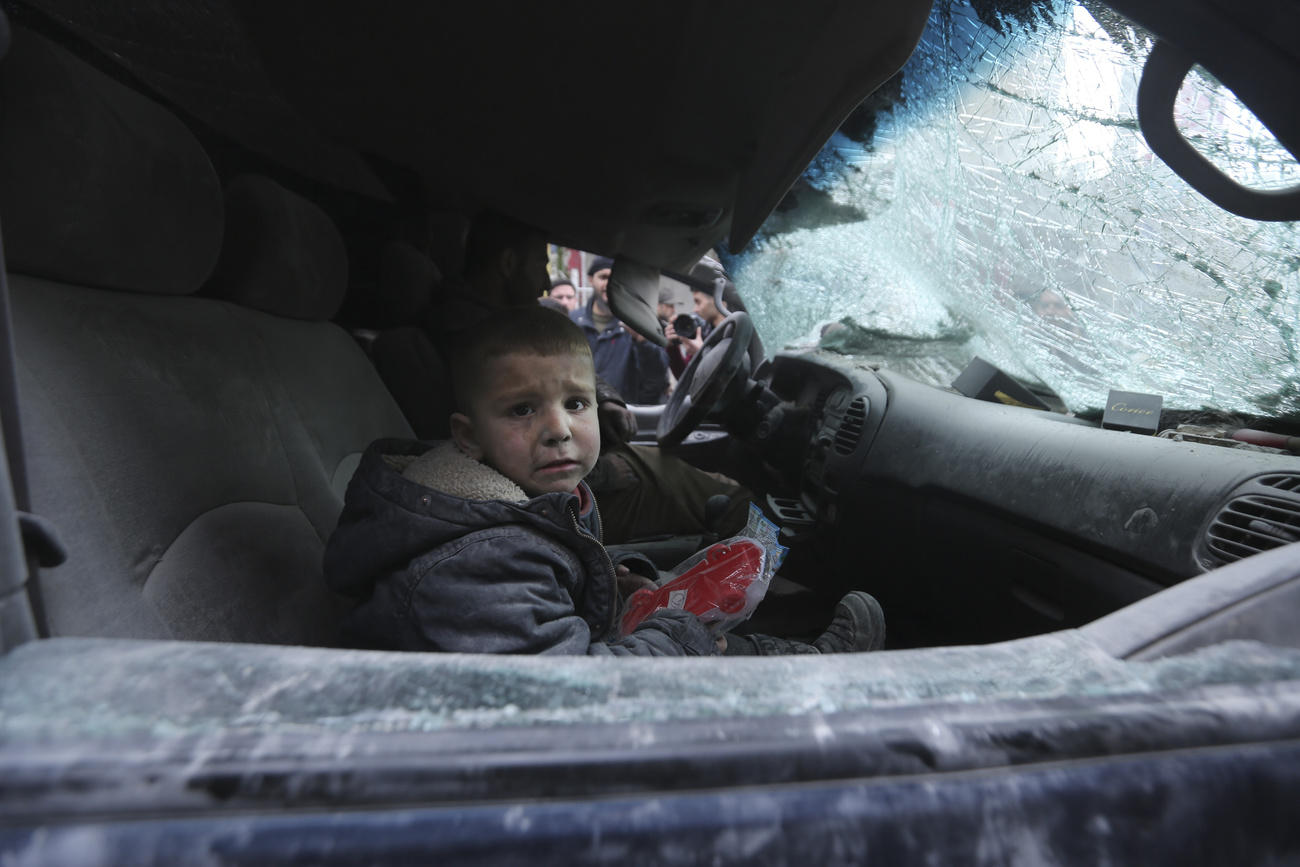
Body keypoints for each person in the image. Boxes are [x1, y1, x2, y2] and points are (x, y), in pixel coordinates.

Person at [324, 305, 886, 656]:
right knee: (688, 641)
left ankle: (806, 664)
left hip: (555, 660)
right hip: (539, 725)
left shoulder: (531, 503)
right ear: (467, 437)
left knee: (682, 631)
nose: (558, 430)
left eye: (576, 403)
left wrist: (614, 589)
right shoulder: (475, 562)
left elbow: (550, 591)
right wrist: (675, 634)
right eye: (522, 410)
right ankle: (811, 679)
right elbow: (572, 699)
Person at [572, 255, 669, 405]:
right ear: (590, 279)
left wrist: (643, 342)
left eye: (614, 278)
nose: (609, 284)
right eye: (603, 277)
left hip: (622, 416)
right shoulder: (572, 322)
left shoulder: (638, 323)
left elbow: (657, 377)